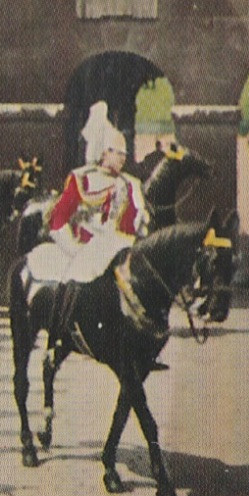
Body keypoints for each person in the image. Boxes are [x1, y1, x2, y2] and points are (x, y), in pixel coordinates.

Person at [27, 101, 149, 343]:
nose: (123, 158)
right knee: (77, 279)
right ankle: (61, 332)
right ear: (104, 152)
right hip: (84, 248)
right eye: (117, 152)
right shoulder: (82, 179)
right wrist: (72, 247)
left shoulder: (128, 183)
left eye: (125, 153)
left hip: (119, 247)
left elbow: (131, 222)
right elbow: (58, 217)